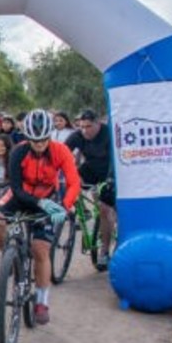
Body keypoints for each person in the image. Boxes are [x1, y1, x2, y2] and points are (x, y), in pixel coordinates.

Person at [0, 109, 80, 325]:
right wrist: (37, 203)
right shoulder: (18, 152)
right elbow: (16, 189)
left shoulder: (61, 150)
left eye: (43, 140)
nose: (39, 144)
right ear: (27, 138)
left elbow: (74, 183)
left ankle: (41, 300)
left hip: (49, 195)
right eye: (34, 140)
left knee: (40, 249)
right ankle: (11, 255)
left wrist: (64, 206)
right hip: (23, 195)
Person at [64, 109, 117, 270]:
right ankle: (82, 213)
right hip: (90, 168)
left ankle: (104, 251)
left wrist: (109, 180)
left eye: (88, 126)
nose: (85, 131)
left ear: (98, 123)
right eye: (82, 127)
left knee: (104, 208)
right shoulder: (78, 135)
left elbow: (115, 160)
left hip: (109, 171)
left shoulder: (108, 134)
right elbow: (61, 153)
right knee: (73, 182)